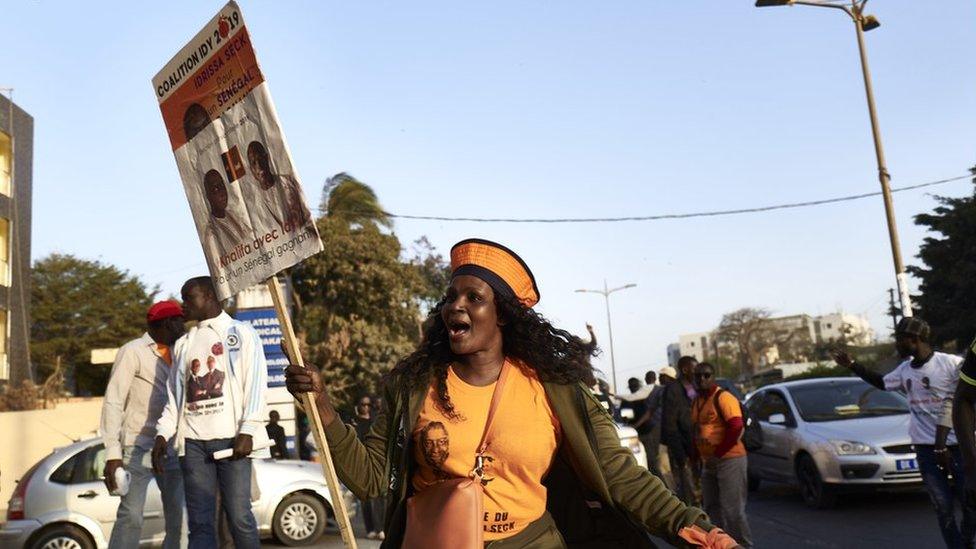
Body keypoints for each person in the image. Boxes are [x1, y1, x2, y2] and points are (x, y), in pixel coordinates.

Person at [285, 238, 738, 548]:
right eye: (449, 298)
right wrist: (322, 405)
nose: (454, 307)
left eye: (472, 298)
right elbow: (367, 479)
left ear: (501, 314)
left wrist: (694, 527)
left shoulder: (553, 388)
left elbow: (620, 475)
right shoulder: (414, 387)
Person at [153, 276, 271, 549]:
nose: (183, 305)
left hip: (232, 443)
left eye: (188, 298)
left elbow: (255, 383)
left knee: (239, 517)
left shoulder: (241, 332)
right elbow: (175, 396)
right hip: (193, 446)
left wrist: (249, 430)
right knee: (200, 522)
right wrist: (162, 435)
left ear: (209, 296)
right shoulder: (183, 344)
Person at [837, 317, 975, 549]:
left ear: (915, 340)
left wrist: (943, 442)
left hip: (959, 446)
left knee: (970, 502)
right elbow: (882, 382)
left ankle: (968, 539)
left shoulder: (951, 364)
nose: (897, 346)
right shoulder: (904, 370)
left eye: (900, 340)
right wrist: (853, 366)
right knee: (942, 506)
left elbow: (957, 401)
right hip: (925, 450)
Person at [100, 301, 187, 549]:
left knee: (178, 517)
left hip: (172, 445)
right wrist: (113, 454)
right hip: (138, 445)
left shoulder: (182, 349)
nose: (184, 325)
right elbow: (113, 401)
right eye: (180, 321)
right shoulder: (133, 351)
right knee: (131, 516)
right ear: (169, 323)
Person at [691, 362, 753, 548]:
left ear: (713, 377)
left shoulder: (723, 398)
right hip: (708, 462)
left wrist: (718, 454)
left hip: (729, 459)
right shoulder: (697, 401)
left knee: (733, 510)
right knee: (711, 507)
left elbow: (736, 427)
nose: (702, 379)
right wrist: (696, 458)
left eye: (706, 375)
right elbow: (696, 430)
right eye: (698, 376)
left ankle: (742, 545)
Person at [245, 140, 311, 231]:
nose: (259, 166)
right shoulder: (254, 203)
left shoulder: (288, 182)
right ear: (251, 169)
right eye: (254, 163)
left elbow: (307, 216)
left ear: (267, 159)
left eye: (261, 159)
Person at [663, 355, 701, 506]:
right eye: (694, 369)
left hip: (701, 450)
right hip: (685, 450)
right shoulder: (673, 390)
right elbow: (670, 425)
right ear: (685, 370)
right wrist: (680, 455)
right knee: (691, 495)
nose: (697, 373)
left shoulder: (698, 387)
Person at [352, 395, 385, 540]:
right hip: (360, 465)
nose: (366, 407)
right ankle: (370, 528)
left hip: (375, 463)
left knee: (379, 498)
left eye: (368, 405)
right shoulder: (353, 423)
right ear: (358, 406)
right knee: (364, 498)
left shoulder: (374, 422)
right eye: (363, 404)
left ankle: (380, 528)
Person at [633, 370, 665, 481]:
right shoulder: (657, 391)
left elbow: (650, 412)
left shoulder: (654, 391)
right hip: (654, 429)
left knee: (654, 461)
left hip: (655, 428)